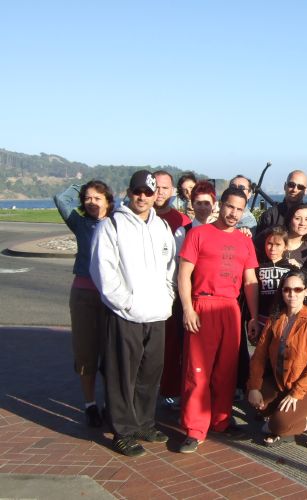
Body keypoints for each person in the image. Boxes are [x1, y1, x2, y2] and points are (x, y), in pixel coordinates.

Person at [90, 170, 176, 457]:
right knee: (121, 375)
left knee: (150, 373)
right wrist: (125, 303)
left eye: (148, 193)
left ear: (155, 196)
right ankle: (122, 430)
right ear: (129, 192)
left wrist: (168, 297)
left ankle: (143, 423)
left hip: (157, 314)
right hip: (124, 315)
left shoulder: (162, 227)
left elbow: (170, 267)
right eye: (138, 191)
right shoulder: (112, 225)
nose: (143, 197)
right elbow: (103, 271)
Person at [177, 187, 259, 454]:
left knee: (227, 371)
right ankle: (194, 428)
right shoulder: (198, 234)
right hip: (203, 304)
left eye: (239, 209)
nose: (234, 213)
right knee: (197, 371)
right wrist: (188, 309)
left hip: (230, 308)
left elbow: (250, 281)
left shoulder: (245, 240)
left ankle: (222, 421)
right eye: (230, 207)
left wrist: (255, 316)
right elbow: (184, 274)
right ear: (219, 205)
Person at [247, 270, 307, 448]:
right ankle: (280, 417)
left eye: (297, 289)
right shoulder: (276, 319)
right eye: (287, 290)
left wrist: (297, 393)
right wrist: (254, 386)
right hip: (284, 382)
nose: (292, 294)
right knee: (256, 399)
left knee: (278, 424)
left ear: (306, 291)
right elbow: (259, 356)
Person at [54, 180, 113, 427]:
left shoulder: (117, 222)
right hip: (84, 295)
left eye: (97, 198)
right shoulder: (80, 223)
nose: (91, 202)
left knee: (111, 355)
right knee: (86, 352)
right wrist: (80, 185)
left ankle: (112, 405)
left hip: (111, 296)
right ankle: (90, 405)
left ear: (109, 201)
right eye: (87, 198)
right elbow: (60, 199)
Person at [153, 170, 191, 410]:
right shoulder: (137, 218)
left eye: (165, 188)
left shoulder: (182, 222)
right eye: (155, 187)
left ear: (172, 191)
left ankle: (169, 390)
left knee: (172, 345)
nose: (159, 192)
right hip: (143, 294)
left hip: (173, 294)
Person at [256, 227, 295, 335]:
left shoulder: (292, 269)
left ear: (285, 247)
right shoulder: (257, 268)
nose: (273, 248)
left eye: (278, 245)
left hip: (284, 319)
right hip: (261, 319)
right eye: (269, 243)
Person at [283, 204, 307, 271]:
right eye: (297, 218)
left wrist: (299, 267)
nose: (302, 223)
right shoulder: (276, 242)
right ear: (289, 221)